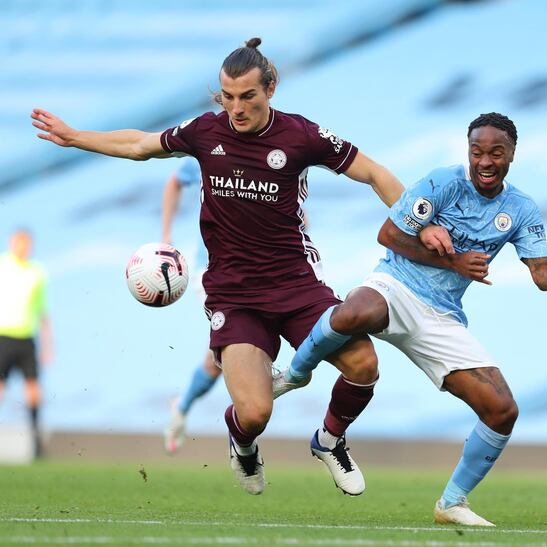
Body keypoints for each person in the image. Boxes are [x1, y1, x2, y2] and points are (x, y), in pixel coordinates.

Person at [31, 37, 407, 496]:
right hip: (235, 294)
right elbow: (139, 145)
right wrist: (75, 137)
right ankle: (242, 443)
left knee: (364, 365)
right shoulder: (206, 133)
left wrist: (416, 226)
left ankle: (329, 441)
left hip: (297, 287)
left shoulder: (301, 136)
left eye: (248, 96)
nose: (237, 108)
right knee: (254, 414)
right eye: (228, 97)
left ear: (271, 88)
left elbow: (373, 171)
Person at [273, 112, 547, 526]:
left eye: (496, 152)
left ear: (512, 154)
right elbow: (389, 235)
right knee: (356, 310)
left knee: (502, 409)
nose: (486, 161)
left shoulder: (520, 209)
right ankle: (294, 374)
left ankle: (452, 503)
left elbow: (544, 273)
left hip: (441, 316)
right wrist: (455, 260)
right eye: (478, 152)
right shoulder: (443, 182)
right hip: (395, 286)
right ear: (468, 151)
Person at [160, 157, 221, 454]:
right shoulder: (207, 145)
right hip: (211, 271)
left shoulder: (267, 146)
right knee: (238, 344)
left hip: (257, 272)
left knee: (218, 359)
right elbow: (174, 181)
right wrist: (166, 235)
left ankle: (181, 405)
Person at [0, 228, 54, 458]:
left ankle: (35, 442)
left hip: (26, 338)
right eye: (20, 242)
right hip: (3, 335)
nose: (24, 247)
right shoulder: (2, 265)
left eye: (27, 243)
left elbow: (42, 311)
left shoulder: (37, 272)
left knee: (33, 390)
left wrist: (47, 345)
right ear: (13, 243)